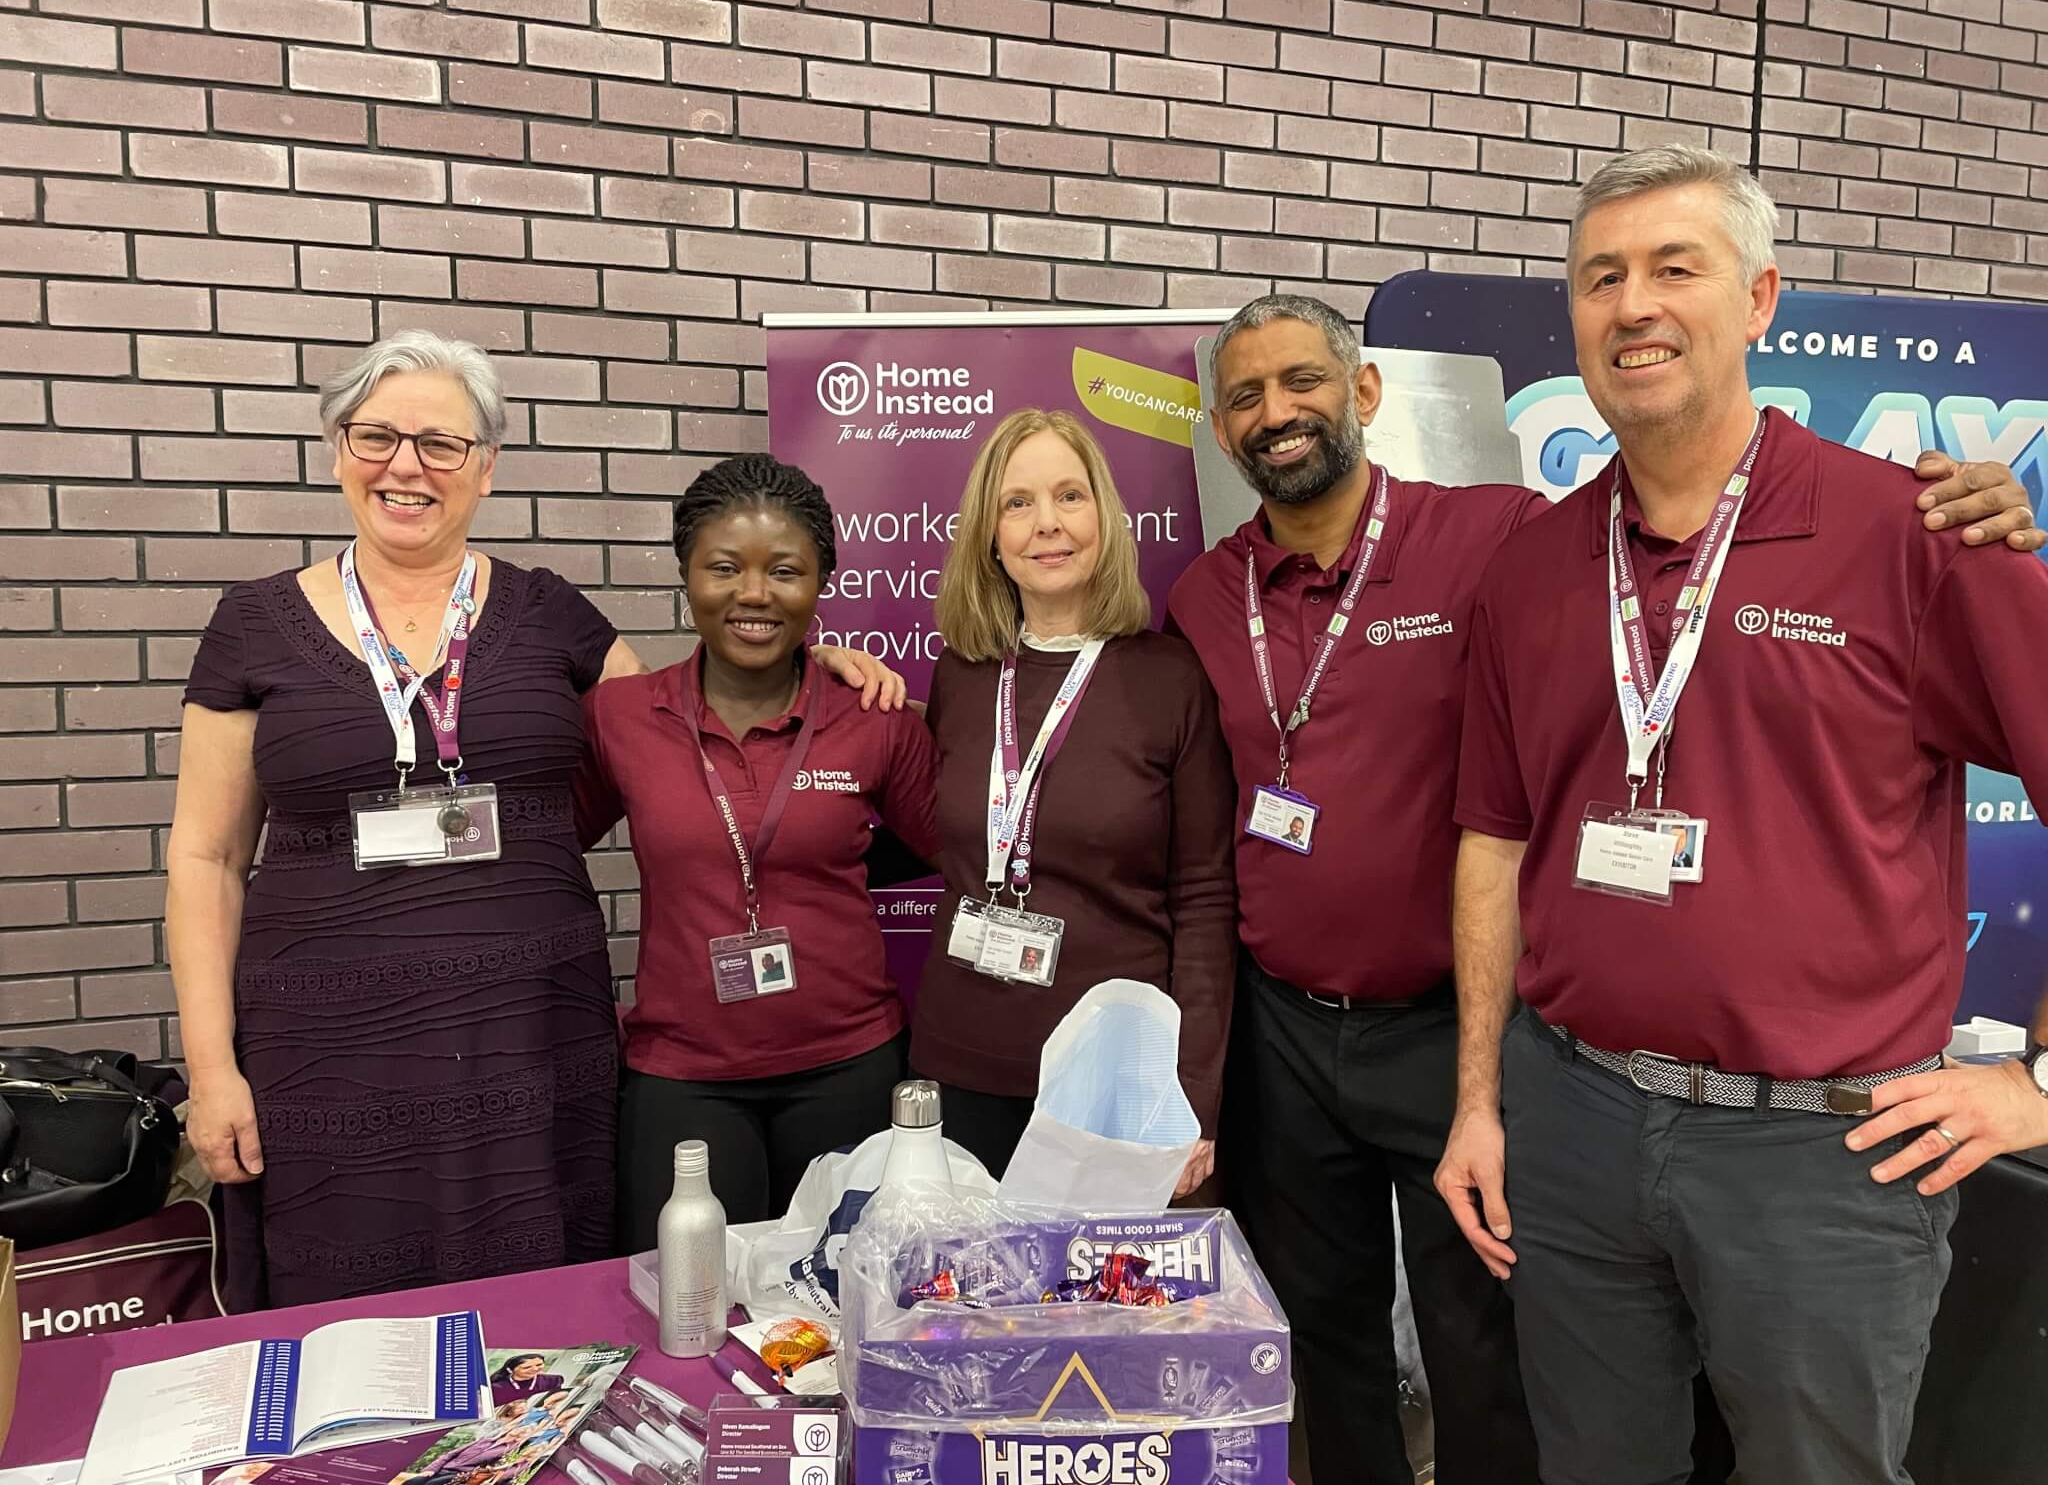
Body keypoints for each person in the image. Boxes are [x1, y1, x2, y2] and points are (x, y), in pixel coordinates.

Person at [1163, 291, 2043, 1485]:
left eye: (1303, 382)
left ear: (1362, 394)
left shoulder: (1498, 537)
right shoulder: (1202, 599)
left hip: (1456, 1028)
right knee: (1328, 1332)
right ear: (1220, 430)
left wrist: (2039, 1081)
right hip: (1299, 1032)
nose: (1279, 413)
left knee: (1486, 1347)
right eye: (1248, 397)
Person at [1444, 143, 2048, 1484]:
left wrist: (2039, 1083)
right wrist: (1482, 1099)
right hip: (1577, 1117)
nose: (1635, 305)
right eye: (1602, 278)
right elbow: (1494, 836)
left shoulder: (1918, 532)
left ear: (1762, 299)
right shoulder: (1536, 568)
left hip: (1824, 1155)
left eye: (1677, 267)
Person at [166, 333, 900, 1310]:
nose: (406, 467)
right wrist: (211, 1070)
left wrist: (811, 669)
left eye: (440, 443)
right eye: (376, 435)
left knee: (539, 1314)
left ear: (485, 466)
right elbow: (207, 856)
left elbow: (690, 712)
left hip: (527, 1043)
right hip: (328, 1051)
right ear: (338, 448)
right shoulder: (255, 625)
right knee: (345, 1310)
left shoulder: (550, 615)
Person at [577, 454, 940, 1239]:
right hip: (683, 1079)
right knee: (692, 1311)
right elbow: (547, 847)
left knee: (847, 1306)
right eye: (723, 568)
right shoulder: (620, 718)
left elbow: (962, 849)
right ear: (685, 573)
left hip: (850, 1064)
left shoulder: (873, 717)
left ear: (820, 584)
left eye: (784, 570)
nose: (753, 594)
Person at [909, 410, 1237, 1185]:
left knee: (1101, 1307)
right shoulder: (960, 674)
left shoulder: (1170, 678)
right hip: (963, 1060)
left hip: (1117, 1081)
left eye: (1069, 496)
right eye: (1017, 503)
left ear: (1106, 518)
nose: (1046, 524)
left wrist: (1190, 1094)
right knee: (977, 1303)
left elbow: (1204, 899)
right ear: (989, 534)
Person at [490, 1354, 562, 1407]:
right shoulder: (496, 1388)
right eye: (527, 1367)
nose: (535, 1369)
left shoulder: (554, 1380)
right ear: (510, 1370)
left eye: (539, 1364)